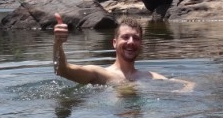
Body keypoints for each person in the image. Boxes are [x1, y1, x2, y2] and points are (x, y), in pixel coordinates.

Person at [52, 12, 191, 89]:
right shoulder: (100, 74)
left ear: (141, 44)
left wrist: (185, 90)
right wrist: (58, 44)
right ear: (114, 43)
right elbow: (62, 70)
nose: (131, 42)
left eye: (136, 38)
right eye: (125, 37)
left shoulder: (149, 77)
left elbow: (188, 83)